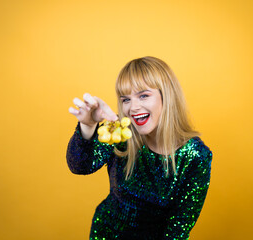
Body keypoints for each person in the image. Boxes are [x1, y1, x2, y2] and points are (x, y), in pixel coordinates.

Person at [66, 56, 212, 240]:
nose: (133, 107)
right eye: (125, 99)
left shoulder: (196, 157)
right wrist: (88, 126)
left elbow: (177, 229)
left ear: (166, 96)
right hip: (106, 233)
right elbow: (80, 165)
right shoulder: (119, 132)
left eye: (143, 95)